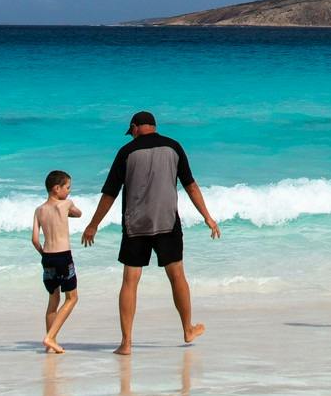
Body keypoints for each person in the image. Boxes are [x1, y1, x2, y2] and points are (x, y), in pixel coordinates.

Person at [79, 110, 221, 355]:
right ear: (154, 126)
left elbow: (109, 193)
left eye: (131, 131)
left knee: (130, 282)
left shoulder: (126, 152)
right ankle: (187, 329)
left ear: (135, 127)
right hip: (167, 223)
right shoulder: (174, 147)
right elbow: (191, 185)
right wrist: (207, 216)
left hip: (135, 226)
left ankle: (126, 343)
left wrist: (93, 224)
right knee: (177, 277)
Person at [31, 169, 84, 354]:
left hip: (47, 258)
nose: (69, 191)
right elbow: (79, 214)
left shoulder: (39, 210)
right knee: (72, 298)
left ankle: (50, 345)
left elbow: (35, 240)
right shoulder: (66, 204)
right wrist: (69, 207)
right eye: (67, 187)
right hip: (63, 256)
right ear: (56, 188)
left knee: (53, 299)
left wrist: (44, 255)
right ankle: (50, 337)